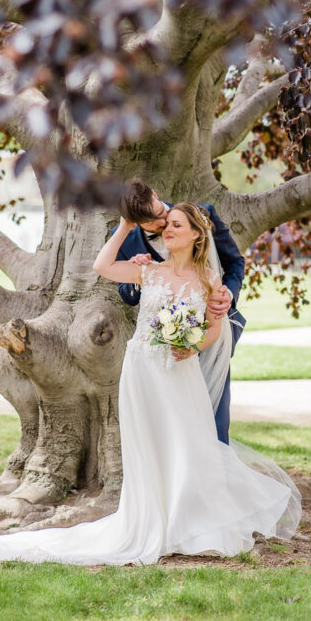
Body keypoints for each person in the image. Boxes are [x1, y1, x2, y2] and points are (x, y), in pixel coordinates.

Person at [0, 203, 300, 565]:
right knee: (148, 446)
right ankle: (152, 520)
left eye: (175, 225)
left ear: (196, 235)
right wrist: (123, 227)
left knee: (186, 442)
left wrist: (191, 346)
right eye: (166, 226)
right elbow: (101, 266)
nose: (167, 231)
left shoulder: (207, 280)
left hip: (179, 373)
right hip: (141, 372)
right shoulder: (149, 271)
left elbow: (215, 329)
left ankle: (190, 523)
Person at [114, 179, 245, 444]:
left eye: (161, 215)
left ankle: (214, 479)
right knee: (163, 427)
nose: (163, 226)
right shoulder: (127, 239)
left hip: (208, 330)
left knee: (213, 414)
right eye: (152, 225)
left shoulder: (200, 216)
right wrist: (135, 272)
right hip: (160, 346)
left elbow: (234, 263)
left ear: (155, 193)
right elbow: (128, 296)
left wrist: (225, 296)